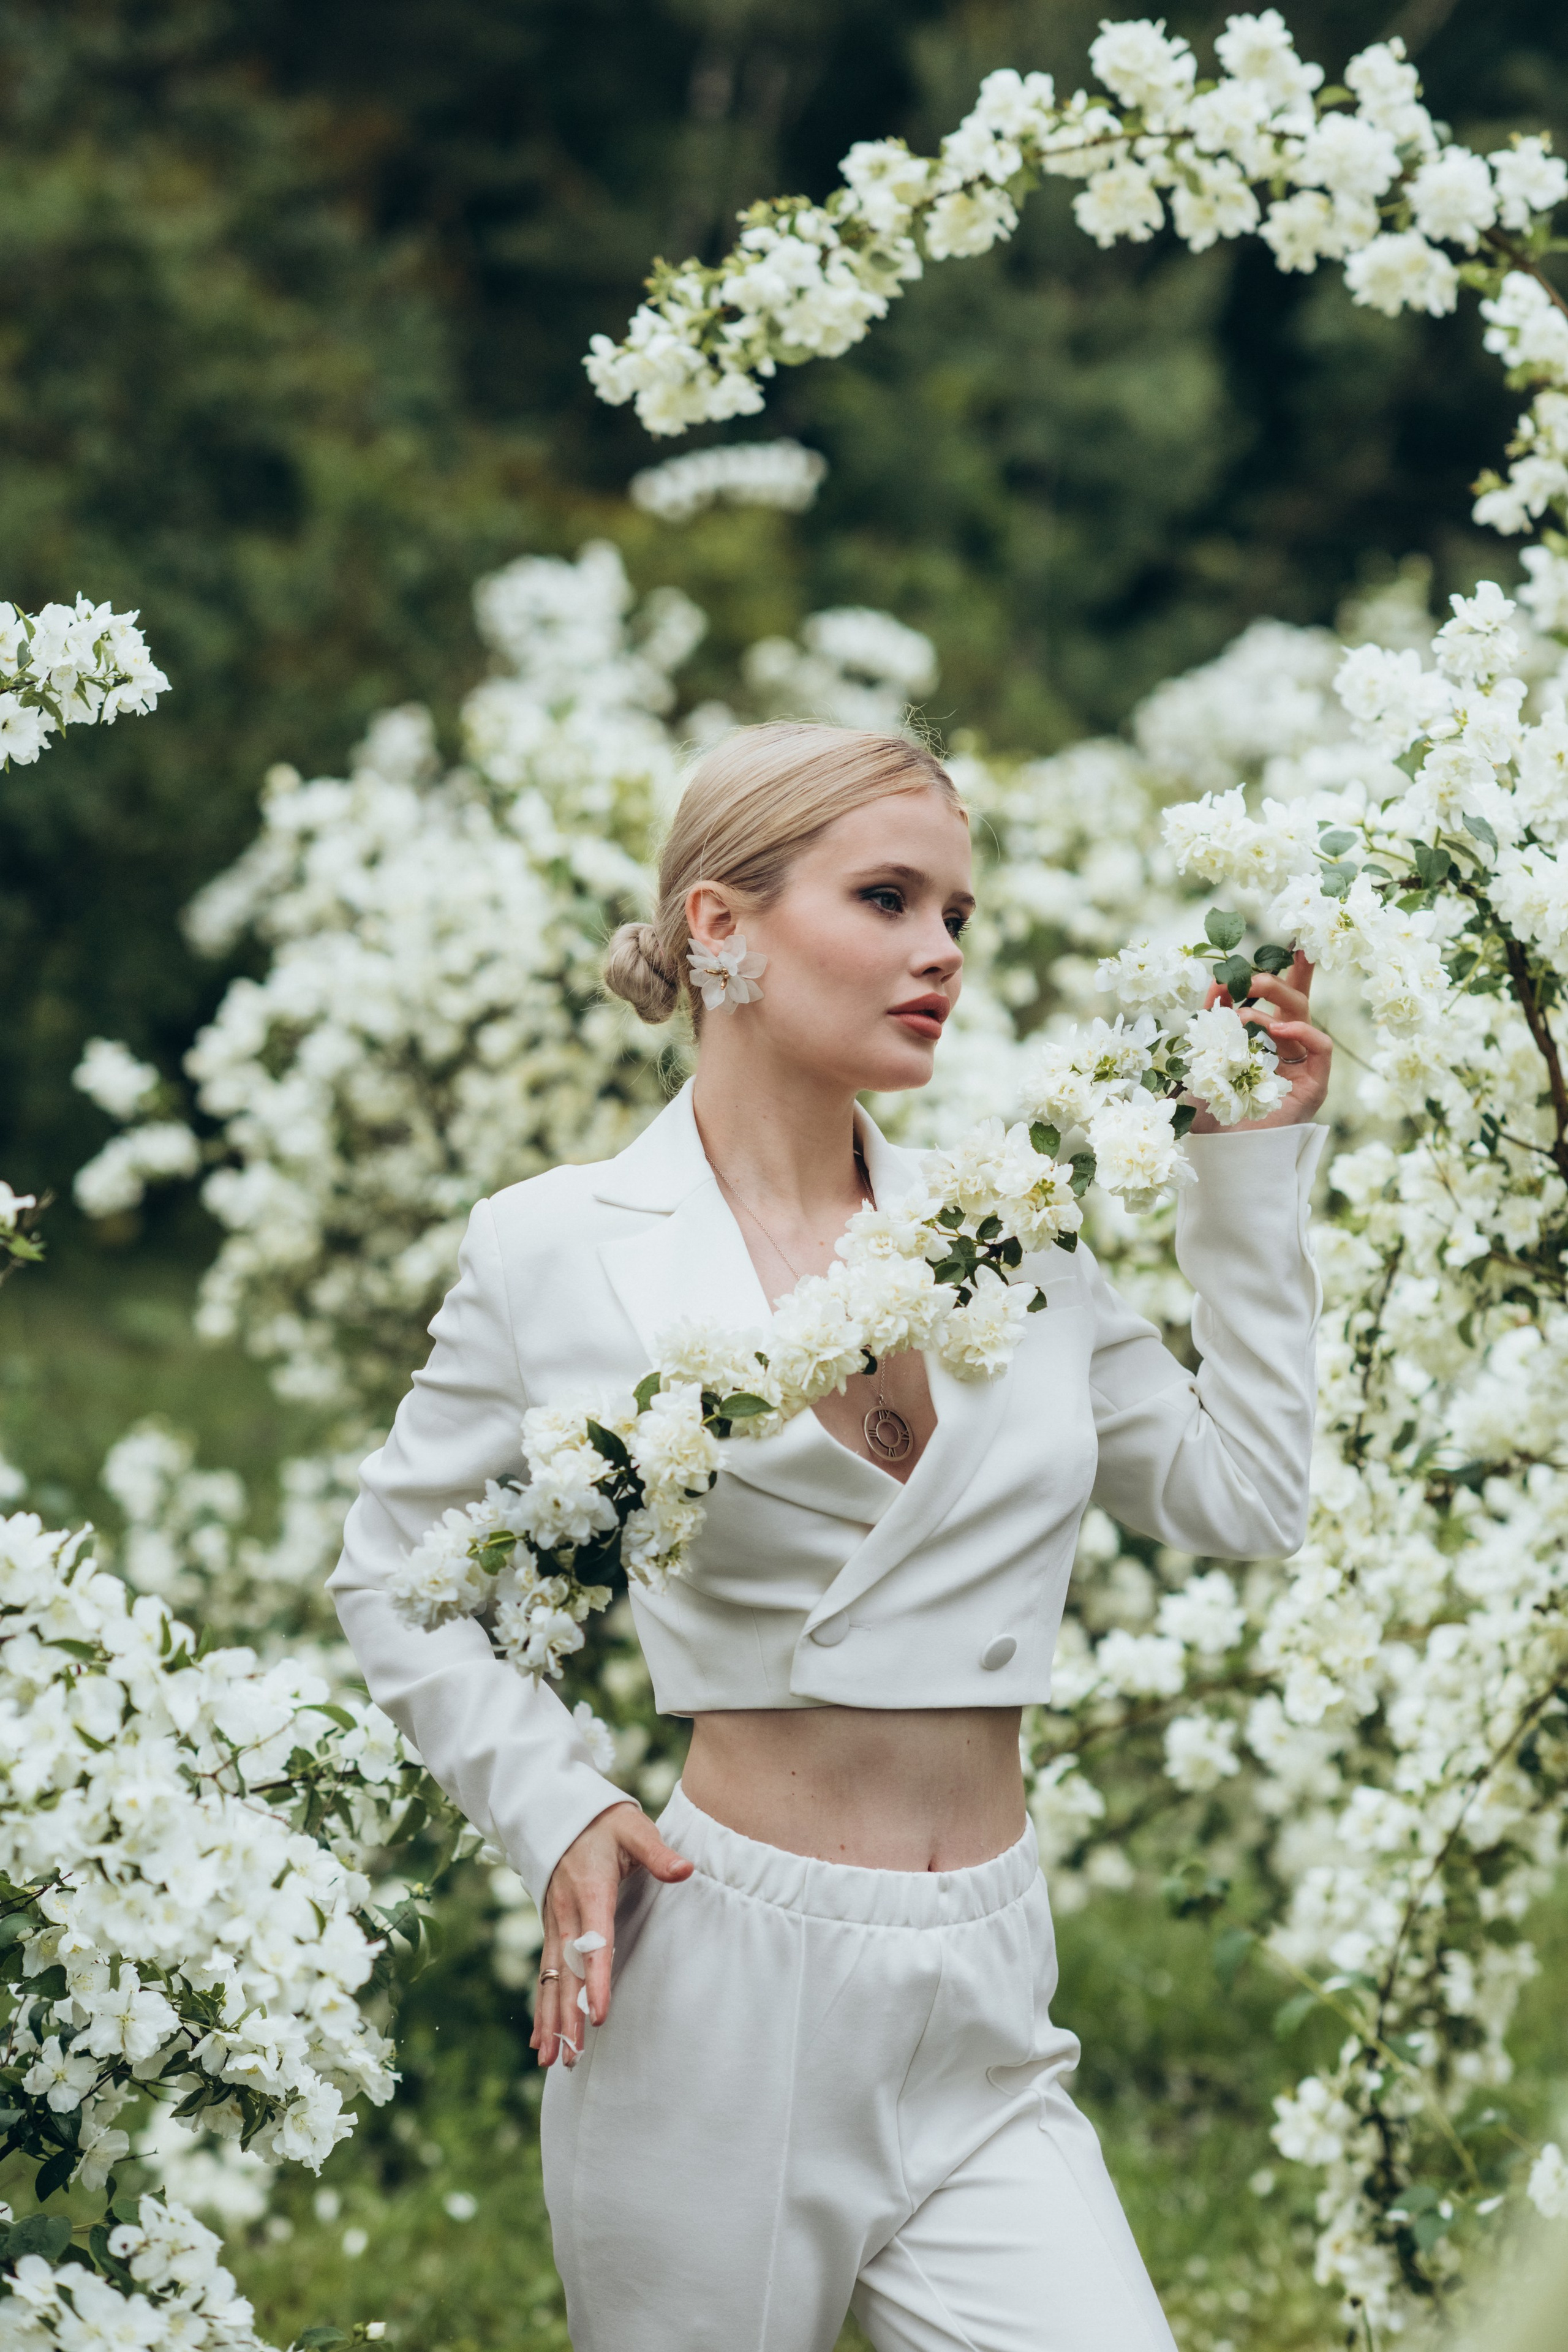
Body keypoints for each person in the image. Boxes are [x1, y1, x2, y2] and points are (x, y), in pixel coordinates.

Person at [330, 721, 1330, 2352]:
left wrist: (1250, 1172)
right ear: (720, 926)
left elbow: (1246, 1496)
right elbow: (395, 1574)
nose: (941, 951)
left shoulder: (1016, 1229)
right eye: (888, 898)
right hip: (722, 1986)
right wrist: (556, 1802)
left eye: (960, 915)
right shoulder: (555, 1249)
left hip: (992, 1996)